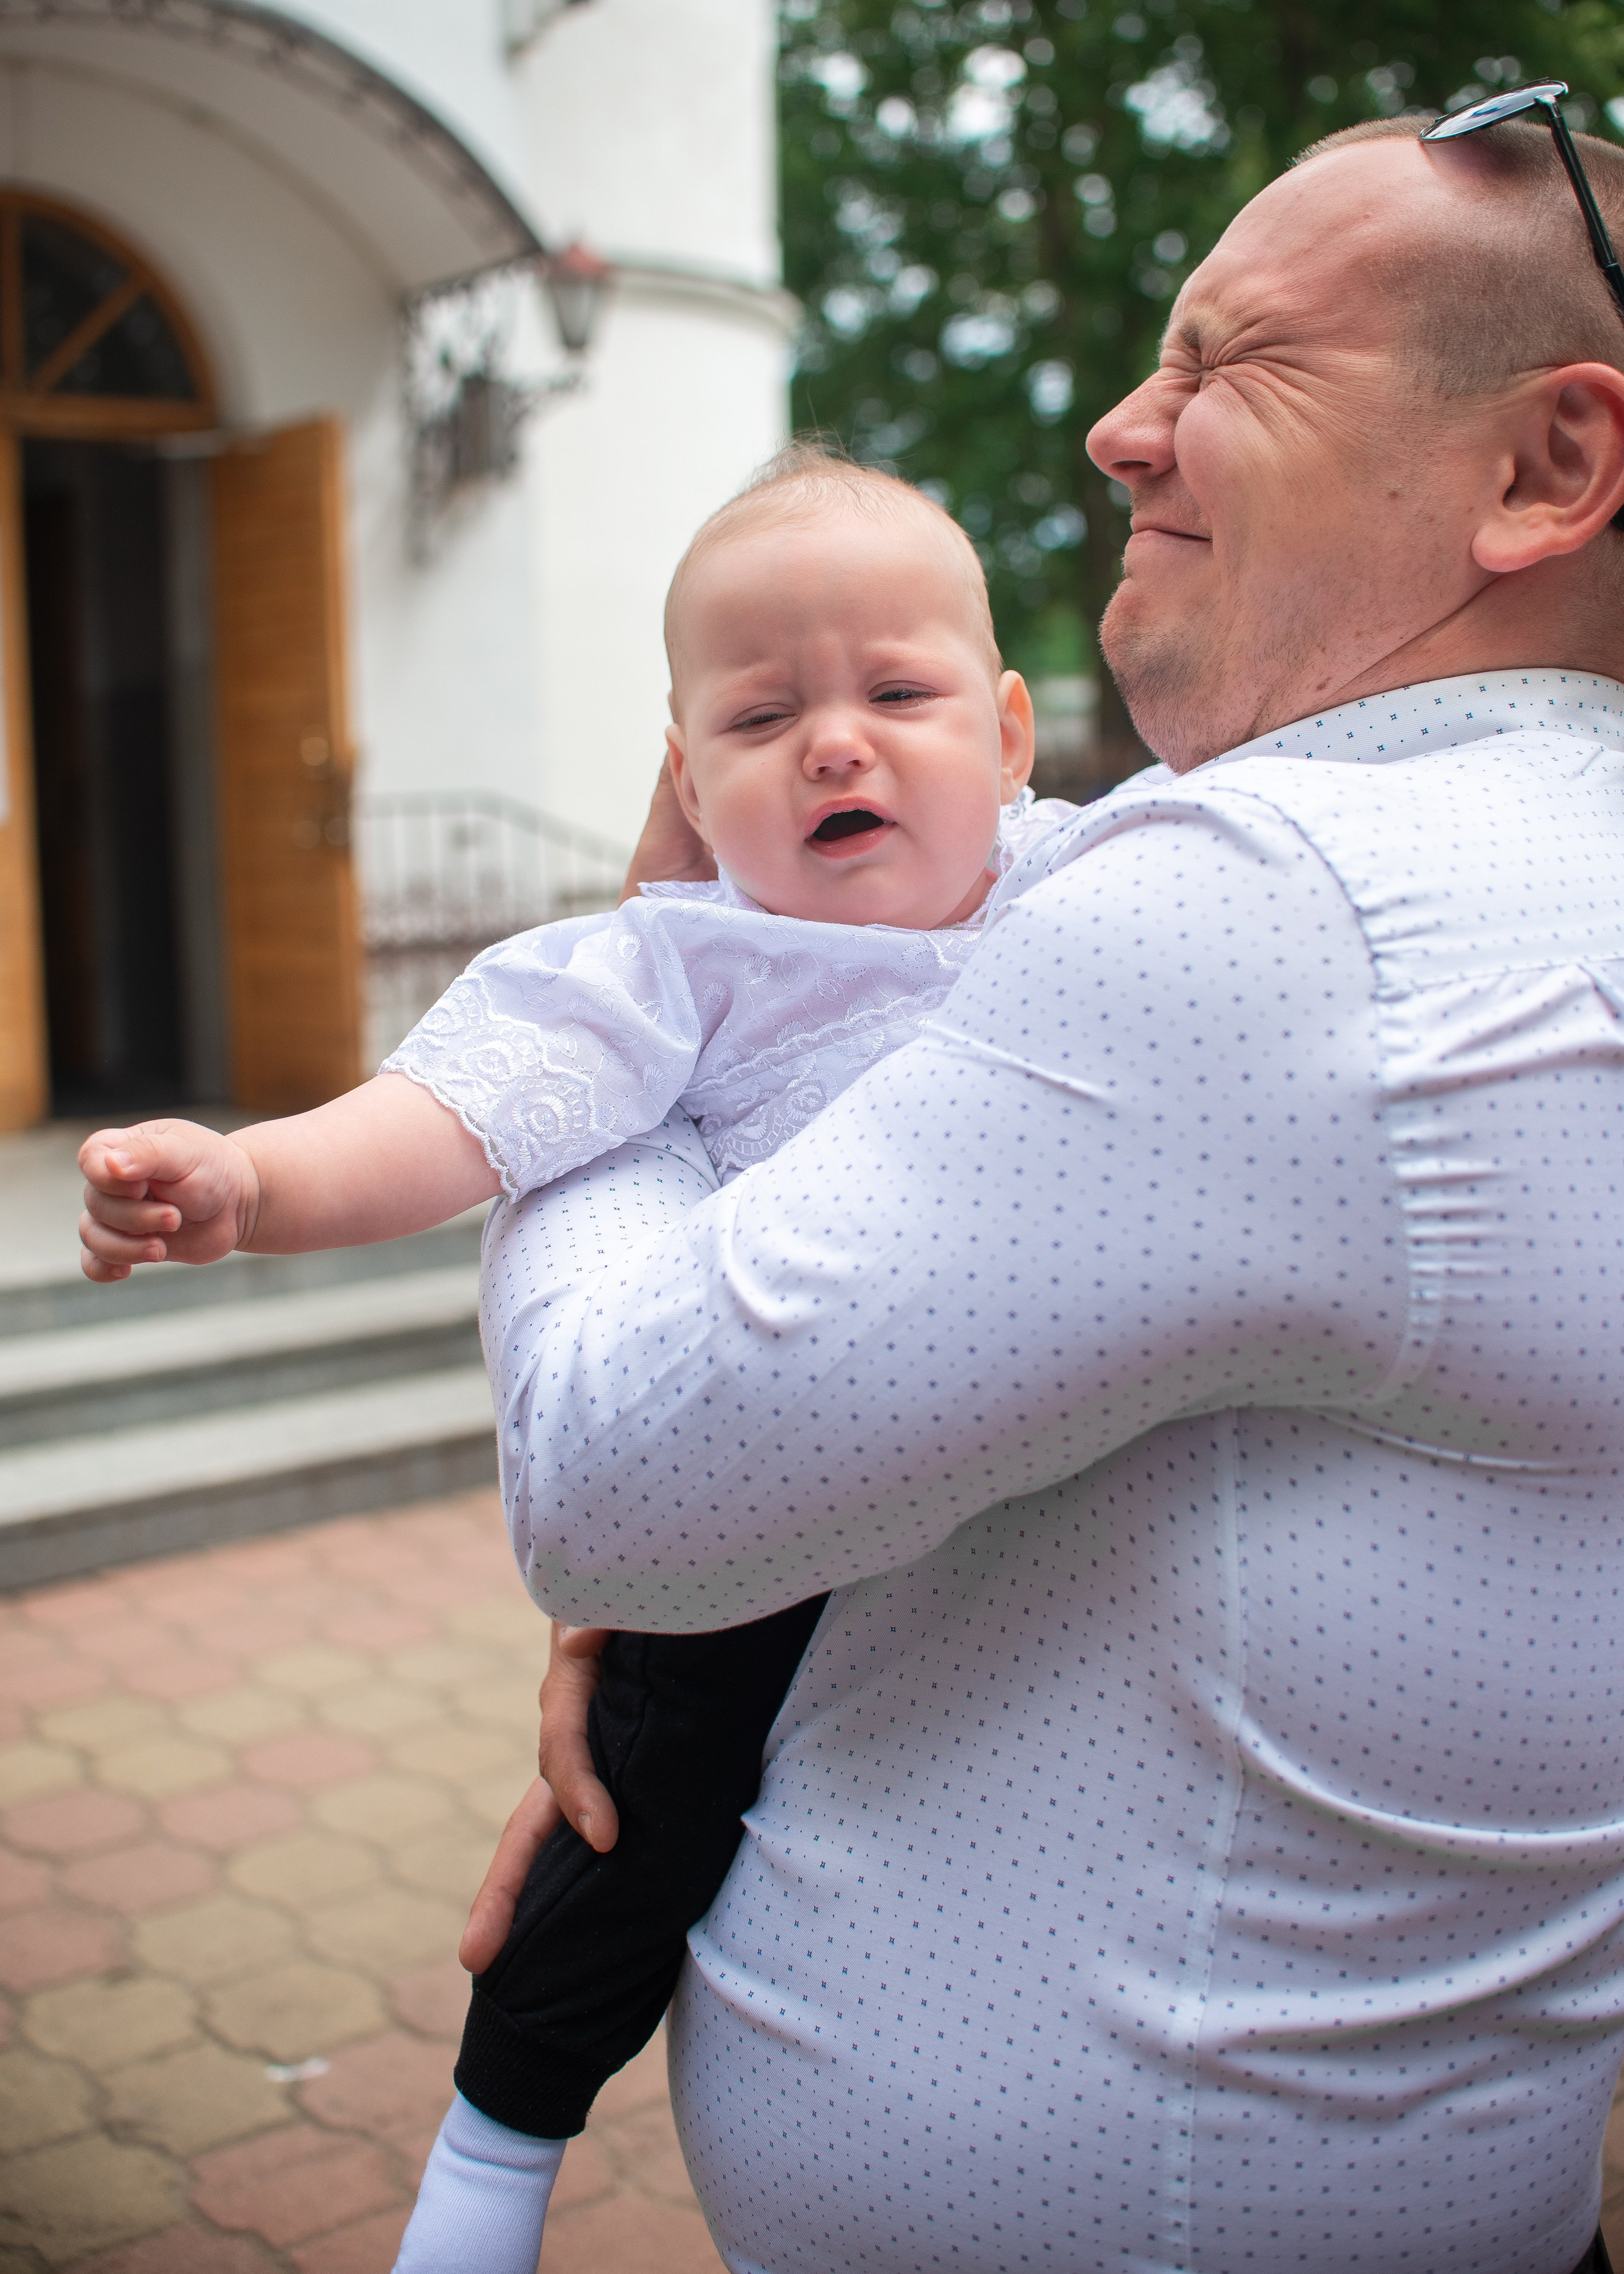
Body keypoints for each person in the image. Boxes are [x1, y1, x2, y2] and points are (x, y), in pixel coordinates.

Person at [459, 105, 1624, 2274]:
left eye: (1231, 365)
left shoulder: (1286, 911)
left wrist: (628, 1008)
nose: (1124, 430)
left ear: (1546, 471)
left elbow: (608, 1469)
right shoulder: (1575, 873)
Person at [77, 447, 1065, 2273]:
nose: (837, 742)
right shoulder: (675, 970)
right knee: (626, 1804)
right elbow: (454, 1114)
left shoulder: (1089, 894)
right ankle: (491, 2159)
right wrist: (241, 1178)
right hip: (764, 1493)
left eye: (901, 692)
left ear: (1013, 733)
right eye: (763, 715)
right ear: (688, 781)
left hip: (1024, 1507)